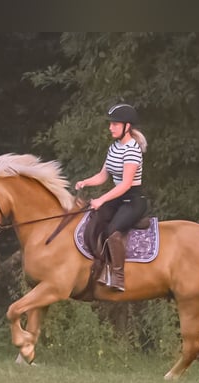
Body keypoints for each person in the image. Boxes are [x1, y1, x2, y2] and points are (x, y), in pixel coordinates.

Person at [75, 103, 148, 292]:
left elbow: (125, 184)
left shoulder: (132, 150)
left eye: (115, 124)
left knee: (113, 231)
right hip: (118, 197)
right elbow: (102, 176)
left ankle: (118, 276)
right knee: (95, 219)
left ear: (127, 127)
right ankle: (100, 266)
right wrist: (85, 182)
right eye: (111, 124)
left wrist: (101, 200)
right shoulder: (114, 147)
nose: (110, 127)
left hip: (133, 200)